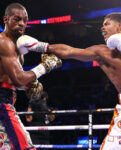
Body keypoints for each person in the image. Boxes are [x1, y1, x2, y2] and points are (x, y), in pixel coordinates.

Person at [42, 12, 121, 149]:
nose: (102, 28)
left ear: (120, 26)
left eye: (106, 23)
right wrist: (40, 46)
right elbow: (69, 51)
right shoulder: (101, 52)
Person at [0, 2, 61, 150]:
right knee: (25, 147)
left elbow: (14, 81)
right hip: (2, 104)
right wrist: (45, 67)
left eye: (25, 21)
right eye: (17, 19)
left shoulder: (18, 51)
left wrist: (29, 84)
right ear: (5, 20)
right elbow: (19, 78)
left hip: (7, 99)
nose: (22, 24)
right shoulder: (4, 42)